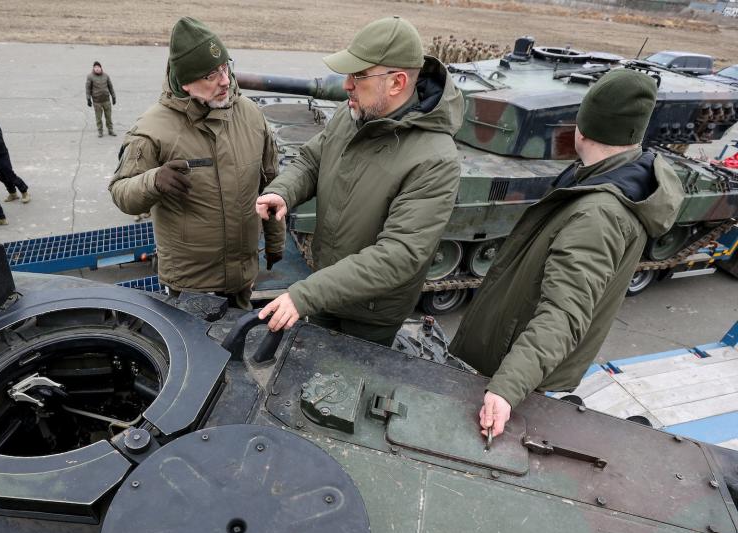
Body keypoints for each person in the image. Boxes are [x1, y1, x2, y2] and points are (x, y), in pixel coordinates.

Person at [449, 68, 685, 440]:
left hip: (510, 363)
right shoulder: (611, 180)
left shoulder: (598, 215)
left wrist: (508, 386)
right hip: (518, 352)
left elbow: (564, 314)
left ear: (583, 126)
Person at [256, 16, 463, 346]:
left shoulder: (435, 158)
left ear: (396, 83)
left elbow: (398, 254)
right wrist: (283, 191)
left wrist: (306, 295)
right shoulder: (353, 113)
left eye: (360, 76)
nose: (346, 85)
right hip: (324, 285)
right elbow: (312, 159)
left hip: (370, 312)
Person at [108, 17, 284, 310]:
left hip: (242, 277)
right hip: (192, 285)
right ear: (187, 83)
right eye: (211, 75)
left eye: (224, 67)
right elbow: (121, 193)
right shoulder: (153, 129)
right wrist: (152, 181)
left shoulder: (251, 115)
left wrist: (275, 242)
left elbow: (270, 185)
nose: (225, 80)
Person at [86, 61, 117, 137]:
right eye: (95, 67)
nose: (97, 69)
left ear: (101, 67)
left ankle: (110, 130)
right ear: (93, 68)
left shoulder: (106, 76)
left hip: (106, 100)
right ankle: (100, 131)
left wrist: (113, 97)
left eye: (98, 67)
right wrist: (88, 99)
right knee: (98, 118)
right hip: (97, 102)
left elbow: (110, 87)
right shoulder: (90, 77)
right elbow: (88, 89)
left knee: (108, 117)